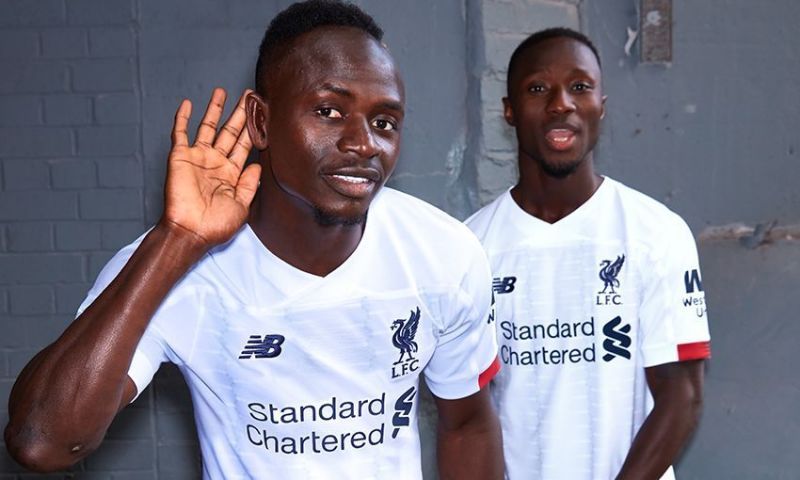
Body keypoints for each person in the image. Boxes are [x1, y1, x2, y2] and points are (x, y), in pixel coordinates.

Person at [4, 1, 503, 478]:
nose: (363, 143)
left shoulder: (443, 252)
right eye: (329, 111)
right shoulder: (175, 265)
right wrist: (177, 240)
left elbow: (468, 423)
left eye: (384, 122)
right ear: (260, 121)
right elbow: (42, 443)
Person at [466, 27, 711, 480]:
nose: (561, 103)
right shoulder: (469, 249)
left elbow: (683, 396)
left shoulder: (656, 234)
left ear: (601, 106)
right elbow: (464, 416)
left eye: (580, 87)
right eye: (538, 88)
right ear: (509, 112)